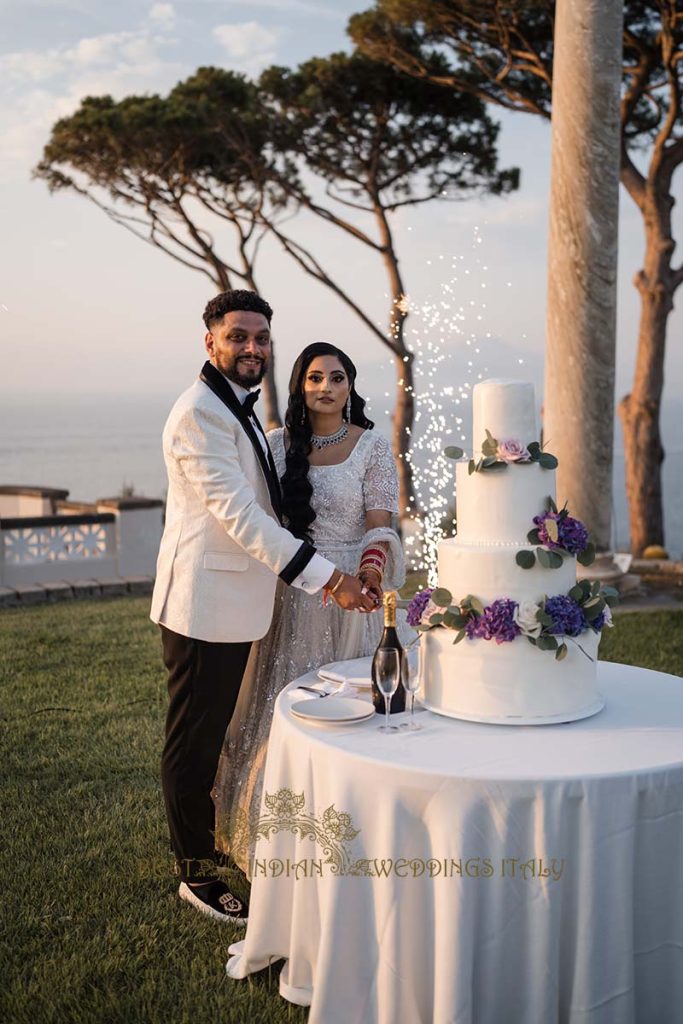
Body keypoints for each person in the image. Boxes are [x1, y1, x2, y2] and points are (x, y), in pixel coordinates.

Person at [150, 293, 374, 925]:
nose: (252, 348)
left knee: (214, 732)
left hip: (238, 602)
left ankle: (207, 841)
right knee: (192, 744)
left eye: (262, 338)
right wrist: (330, 580)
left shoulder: (239, 408)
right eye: (239, 336)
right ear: (210, 342)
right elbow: (243, 518)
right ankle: (194, 873)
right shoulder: (198, 415)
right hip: (203, 604)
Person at [214, 342, 408, 877]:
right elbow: (257, 520)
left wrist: (368, 571)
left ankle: (365, 830)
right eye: (315, 377)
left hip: (356, 601)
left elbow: (381, 522)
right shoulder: (276, 446)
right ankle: (275, 839)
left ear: (351, 386)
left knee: (357, 710)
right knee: (285, 706)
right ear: (300, 385)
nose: (327, 387)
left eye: (338, 377)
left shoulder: (371, 446)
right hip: (296, 590)